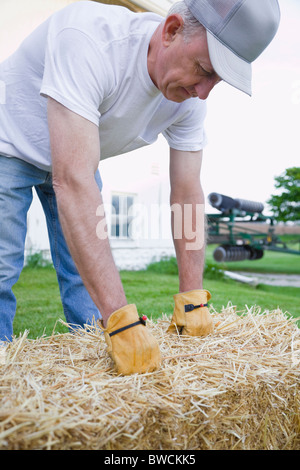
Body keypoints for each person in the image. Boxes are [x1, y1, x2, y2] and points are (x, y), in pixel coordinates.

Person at [0, 0, 280, 374]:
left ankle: (94, 384)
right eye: (203, 70)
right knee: (2, 270)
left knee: (84, 281)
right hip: (9, 144)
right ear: (171, 30)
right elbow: (73, 179)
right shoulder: (88, 38)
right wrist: (121, 319)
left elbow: (187, 198)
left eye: (217, 80)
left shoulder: (190, 98)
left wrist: (193, 298)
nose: (204, 92)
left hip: (78, 153)